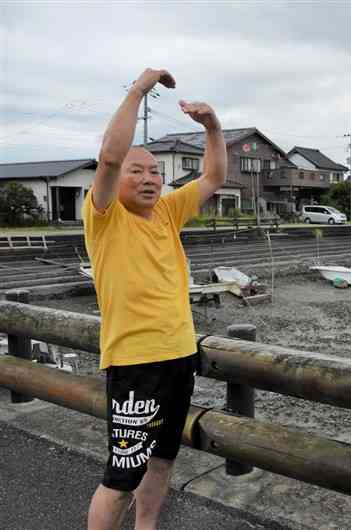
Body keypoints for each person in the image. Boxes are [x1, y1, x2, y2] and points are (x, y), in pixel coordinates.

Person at [83, 68, 227, 530]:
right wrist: (139, 88)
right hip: (135, 361)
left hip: (180, 356)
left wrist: (213, 127)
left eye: (156, 172)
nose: (150, 179)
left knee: (162, 462)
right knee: (121, 476)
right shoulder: (105, 216)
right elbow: (108, 157)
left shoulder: (166, 212)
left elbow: (213, 176)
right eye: (138, 171)